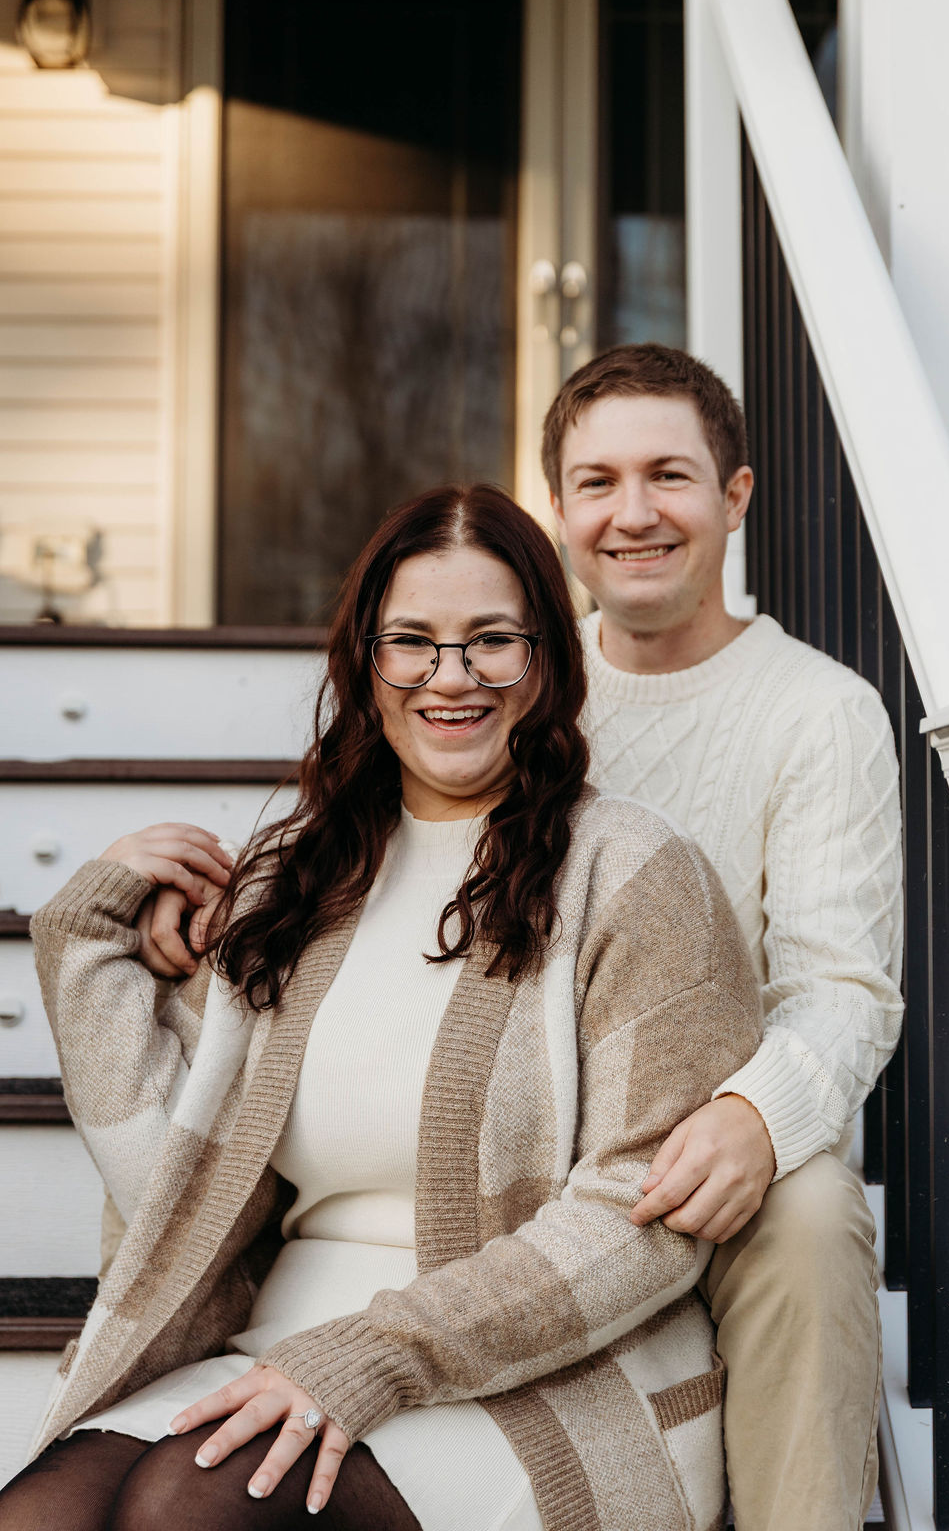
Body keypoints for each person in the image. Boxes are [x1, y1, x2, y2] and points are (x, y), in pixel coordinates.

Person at [3, 483, 763, 1531]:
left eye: (492, 641)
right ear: (364, 662)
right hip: (274, 1351)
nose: (451, 678)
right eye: (411, 642)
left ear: (547, 659)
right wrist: (82, 941)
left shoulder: (634, 873)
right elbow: (175, 1194)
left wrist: (375, 1355)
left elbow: (642, 1221)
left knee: (192, 1508)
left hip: (548, 1383)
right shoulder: (293, 880)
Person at [543, 344, 903, 1531]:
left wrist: (755, 1116)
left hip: (710, 1147)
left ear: (734, 496)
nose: (632, 513)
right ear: (560, 508)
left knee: (814, 1217)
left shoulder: (821, 712)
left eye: (669, 476)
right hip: (538, 1126)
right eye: (597, 482)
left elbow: (843, 988)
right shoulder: (514, 687)